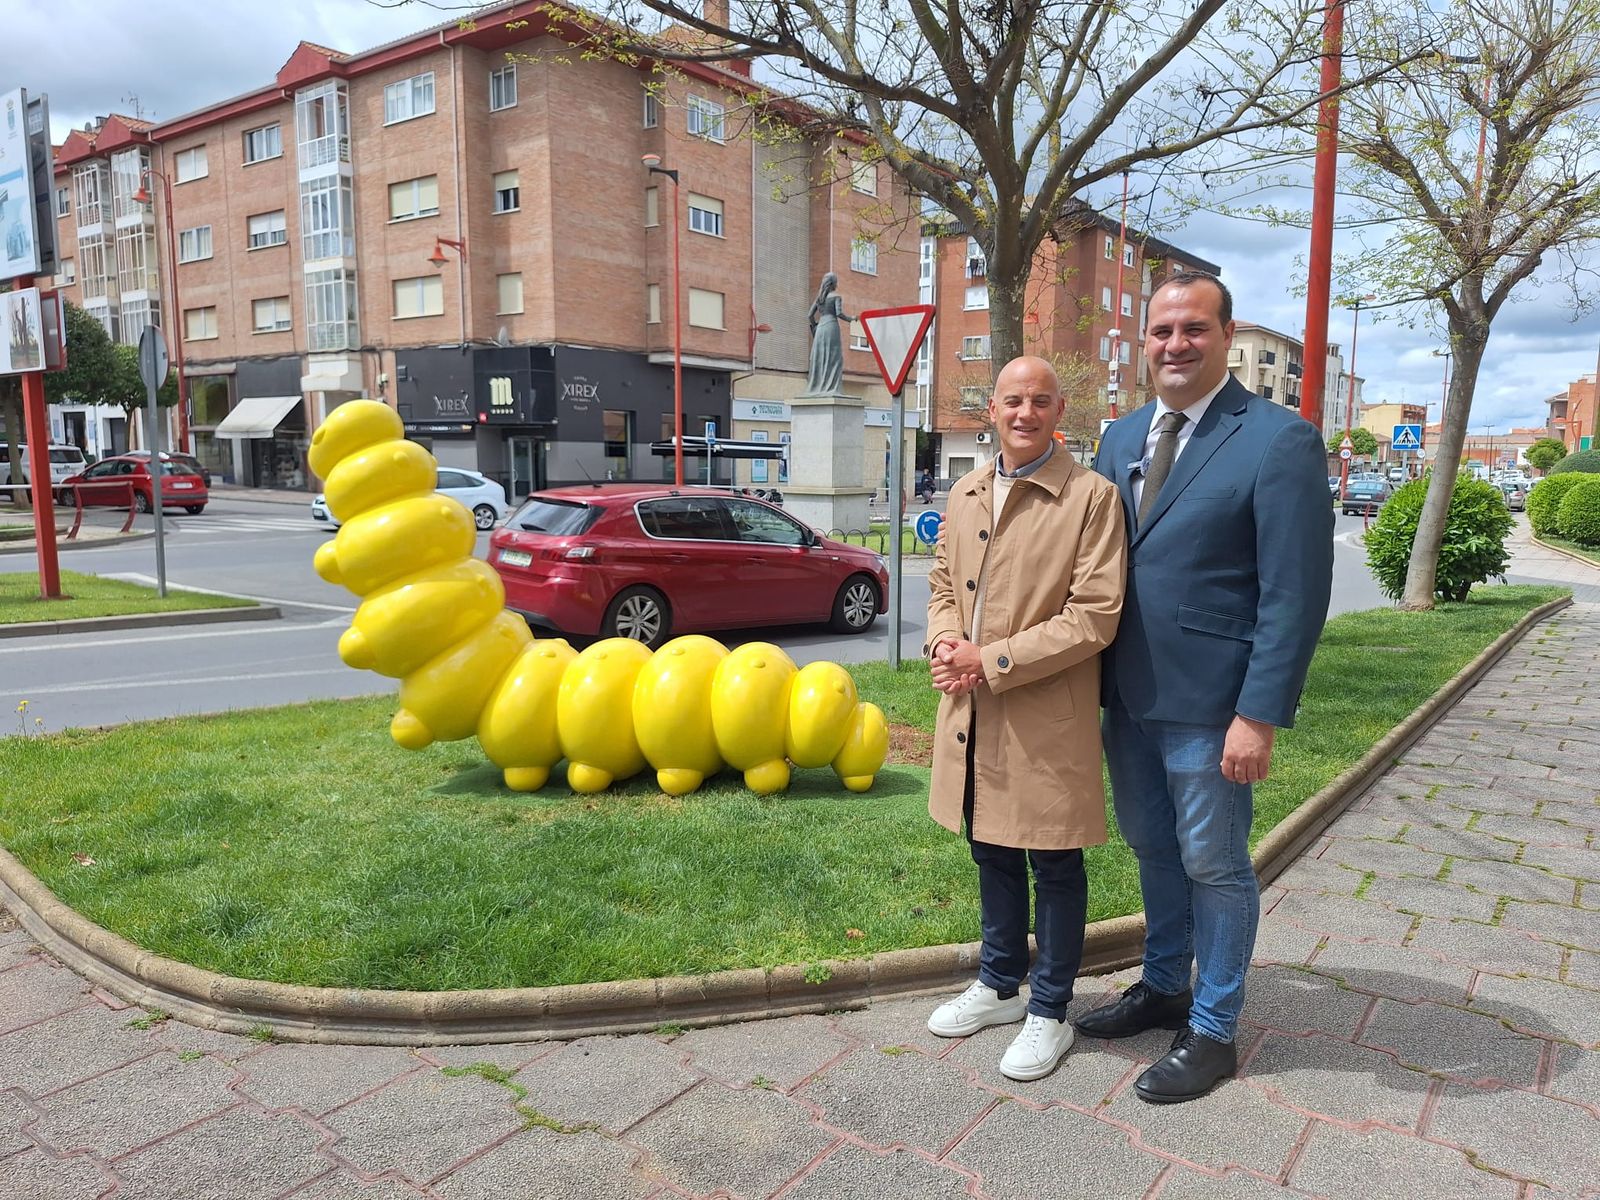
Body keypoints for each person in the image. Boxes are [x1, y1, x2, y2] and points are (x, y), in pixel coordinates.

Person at [1077, 270, 1333, 1103]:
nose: (1176, 344)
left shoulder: (1278, 440)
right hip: (1127, 697)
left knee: (1214, 865)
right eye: (1162, 331)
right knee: (1153, 849)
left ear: (1225, 336)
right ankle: (1164, 987)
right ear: (1143, 340)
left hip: (1214, 707)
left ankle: (1215, 1029)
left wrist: (1259, 714)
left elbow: (1294, 592)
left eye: (1194, 329)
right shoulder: (1120, 436)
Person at [923, 355, 1126, 1082]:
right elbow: (942, 584)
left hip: (1043, 714)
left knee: (1054, 860)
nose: (1025, 413)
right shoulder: (966, 491)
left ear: (1059, 411)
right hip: (973, 705)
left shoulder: (1092, 498)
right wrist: (944, 644)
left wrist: (990, 659)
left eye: (1040, 400)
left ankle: (1050, 1010)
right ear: (992, 409)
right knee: (991, 846)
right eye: (1012, 400)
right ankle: (1000, 982)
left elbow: (1094, 616)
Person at [804, 273, 852, 395]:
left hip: (820, 328)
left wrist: (814, 326)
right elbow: (839, 313)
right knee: (833, 357)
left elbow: (810, 315)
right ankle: (831, 387)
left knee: (820, 356)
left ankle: (818, 386)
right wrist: (851, 319)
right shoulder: (836, 297)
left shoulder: (819, 298)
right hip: (831, 327)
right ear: (833, 283)